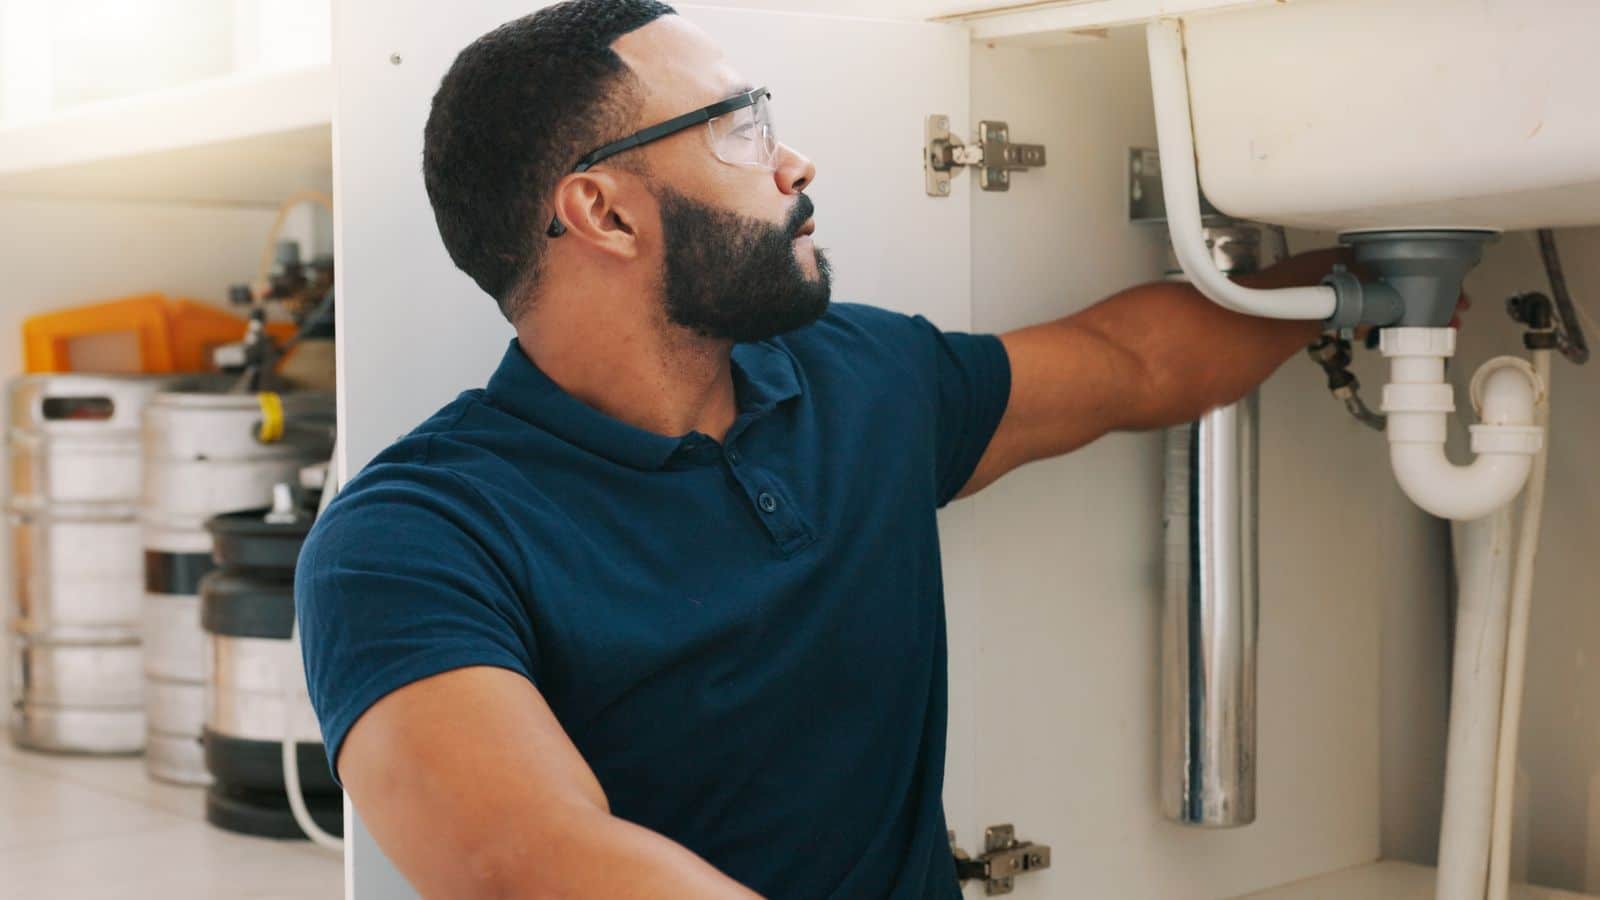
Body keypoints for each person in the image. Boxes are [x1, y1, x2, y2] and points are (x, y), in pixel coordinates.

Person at [296, 2, 1346, 896]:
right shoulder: (408, 541)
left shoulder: (857, 376)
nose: (794, 162)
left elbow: (1129, 362)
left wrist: (1362, 276)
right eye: (741, 129)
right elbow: (527, 862)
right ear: (603, 212)